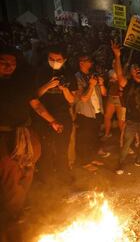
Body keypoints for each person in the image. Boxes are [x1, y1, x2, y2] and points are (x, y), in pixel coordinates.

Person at [0, 47, 61, 241]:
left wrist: (52, 120)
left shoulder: (20, 83)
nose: (9, 66)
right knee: (10, 176)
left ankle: (18, 208)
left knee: (28, 171)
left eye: (13, 63)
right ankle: (11, 220)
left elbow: (35, 104)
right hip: (4, 136)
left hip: (24, 133)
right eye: (4, 62)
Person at [34, 45, 77, 184]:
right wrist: (48, 85)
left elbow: (72, 99)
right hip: (43, 117)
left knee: (62, 148)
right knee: (45, 148)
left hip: (62, 115)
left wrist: (64, 89)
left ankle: (63, 175)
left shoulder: (70, 74)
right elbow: (34, 96)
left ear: (64, 60)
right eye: (51, 58)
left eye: (58, 59)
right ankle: (45, 176)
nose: (54, 61)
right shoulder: (41, 72)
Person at [111, 41, 140, 174]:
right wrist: (117, 56)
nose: (137, 69)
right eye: (134, 68)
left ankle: (139, 159)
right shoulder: (128, 83)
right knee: (127, 143)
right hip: (132, 121)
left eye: (138, 68)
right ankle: (120, 163)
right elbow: (119, 75)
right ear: (131, 72)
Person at [74, 54, 107, 169]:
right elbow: (83, 99)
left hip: (96, 111)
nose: (91, 63)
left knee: (93, 137)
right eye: (88, 61)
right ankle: (85, 162)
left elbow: (104, 94)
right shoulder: (77, 77)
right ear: (81, 63)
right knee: (85, 139)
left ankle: (91, 159)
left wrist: (101, 83)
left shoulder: (93, 76)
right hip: (85, 113)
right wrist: (92, 85)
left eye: (90, 61)